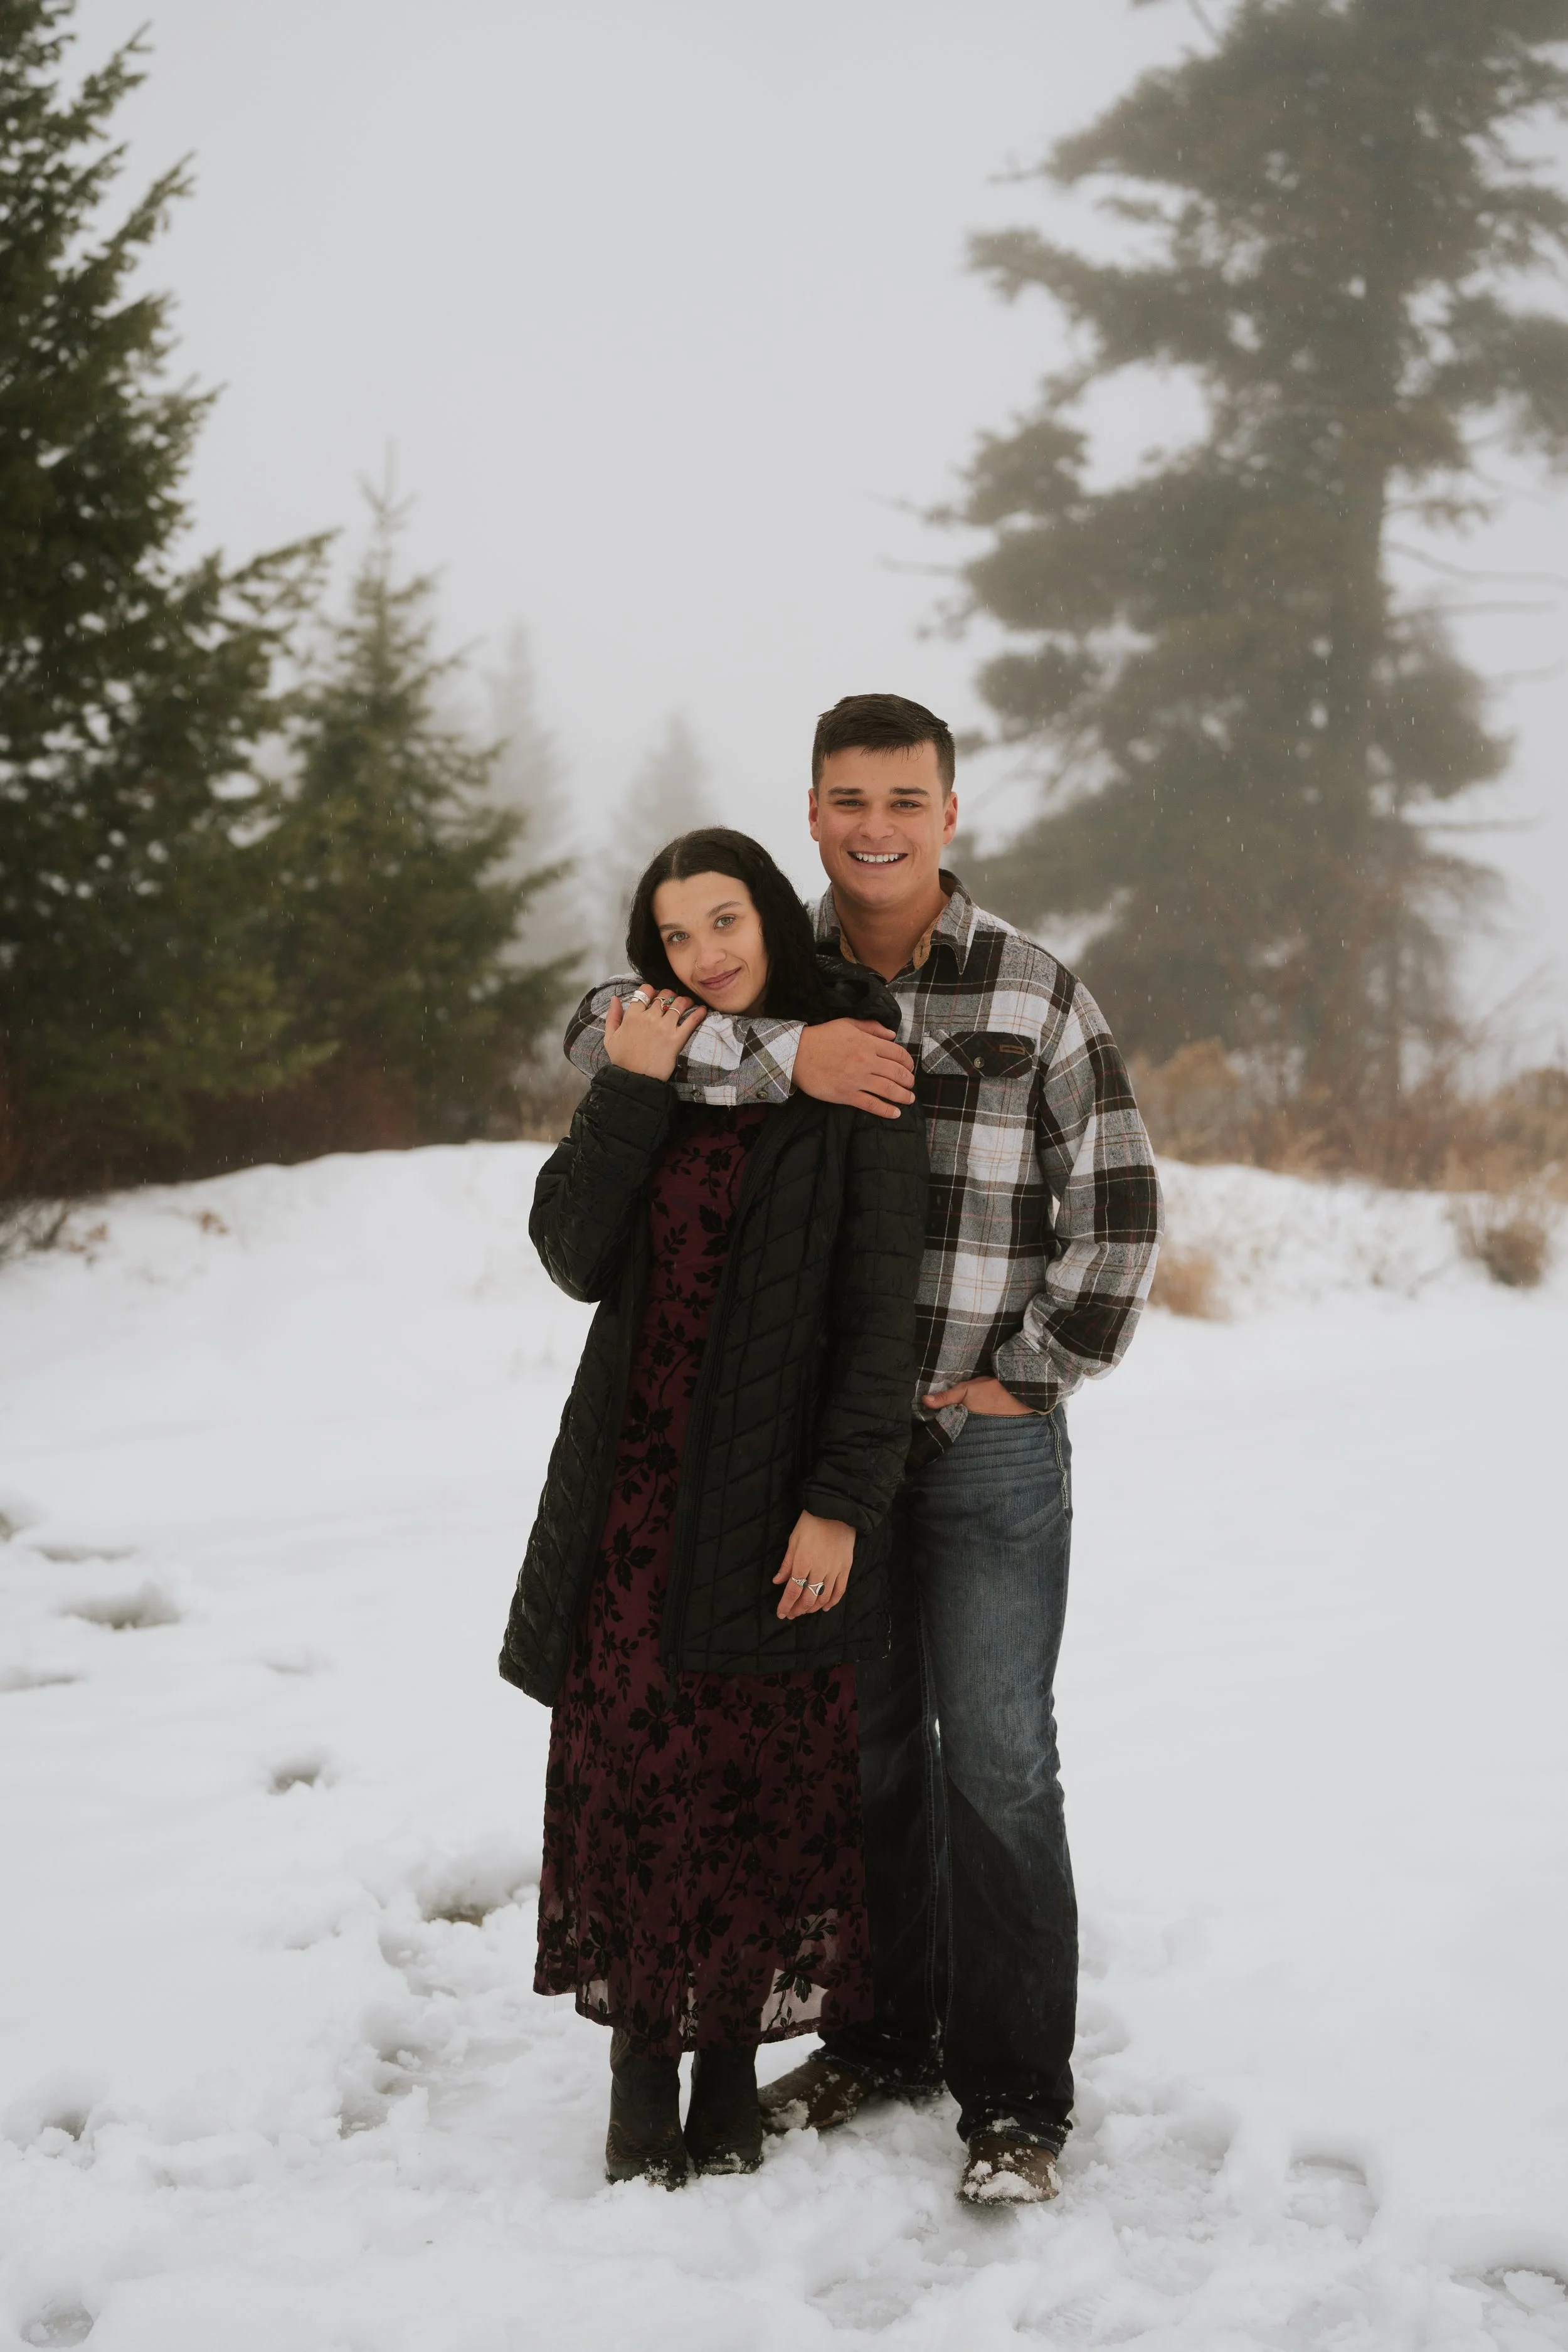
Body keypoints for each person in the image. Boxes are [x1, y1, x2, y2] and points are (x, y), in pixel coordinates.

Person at [564, 696, 1162, 2204]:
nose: (875, 826)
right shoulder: (785, 970)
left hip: (978, 1443)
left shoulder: (1031, 994)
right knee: (864, 1754)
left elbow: (1121, 1211)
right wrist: (791, 1063)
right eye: (847, 800)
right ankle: (886, 2030)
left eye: (905, 799)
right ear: (814, 812)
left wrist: (1026, 1379)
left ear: (948, 814)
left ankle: (1015, 2098)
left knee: (1000, 1762)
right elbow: (603, 1027)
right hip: (812, 1454)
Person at [500, 827, 928, 2188]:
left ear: (772, 920)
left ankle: (731, 2064)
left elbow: (878, 1327)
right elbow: (571, 1252)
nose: (707, 955)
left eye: (725, 921)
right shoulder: (650, 1061)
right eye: (676, 938)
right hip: (631, 1492)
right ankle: (638, 2070)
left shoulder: (850, 1062)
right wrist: (627, 1090)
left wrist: (839, 1507)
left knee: (755, 1785)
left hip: (775, 1501)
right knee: (637, 1778)